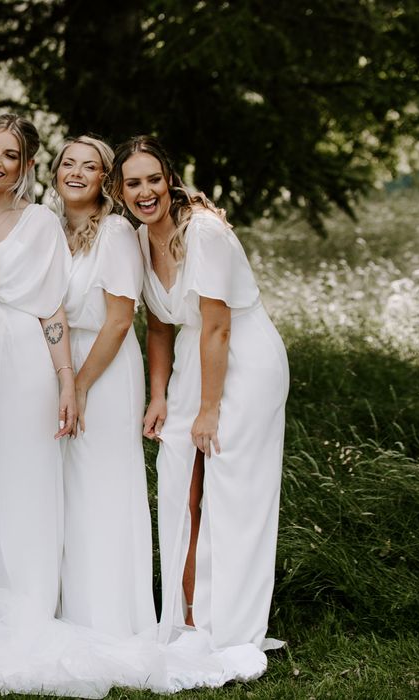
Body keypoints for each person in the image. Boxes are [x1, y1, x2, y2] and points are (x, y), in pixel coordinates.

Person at [110, 136, 289, 650]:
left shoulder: (203, 232)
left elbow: (218, 328)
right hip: (194, 356)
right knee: (176, 474)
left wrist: (209, 411)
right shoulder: (139, 241)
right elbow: (161, 327)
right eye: (133, 183)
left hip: (244, 359)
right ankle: (187, 615)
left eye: (152, 180)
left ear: (169, 179)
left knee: (233, 486)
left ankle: (231, 627)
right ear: (121, 192)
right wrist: (159, 395)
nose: (145, 192)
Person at [0, 114, 75, 628]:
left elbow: (52, 308)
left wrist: (66, 378)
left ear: (27, 166)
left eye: (10, 155)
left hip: (25, 358)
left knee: (21, 476)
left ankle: (26, 601)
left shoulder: (41, 223)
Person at [50, 136, 155, 637]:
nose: (75, 172)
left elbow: (119, 320)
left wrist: (83, 384)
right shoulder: (51, 229)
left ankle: (113, 618)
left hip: (105, 369)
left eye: (88, 166)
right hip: (65, 367)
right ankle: (73, 609)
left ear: (104, 180)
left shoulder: (115, 231)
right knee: (69, 489)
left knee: (103, 483)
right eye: (67, 163)